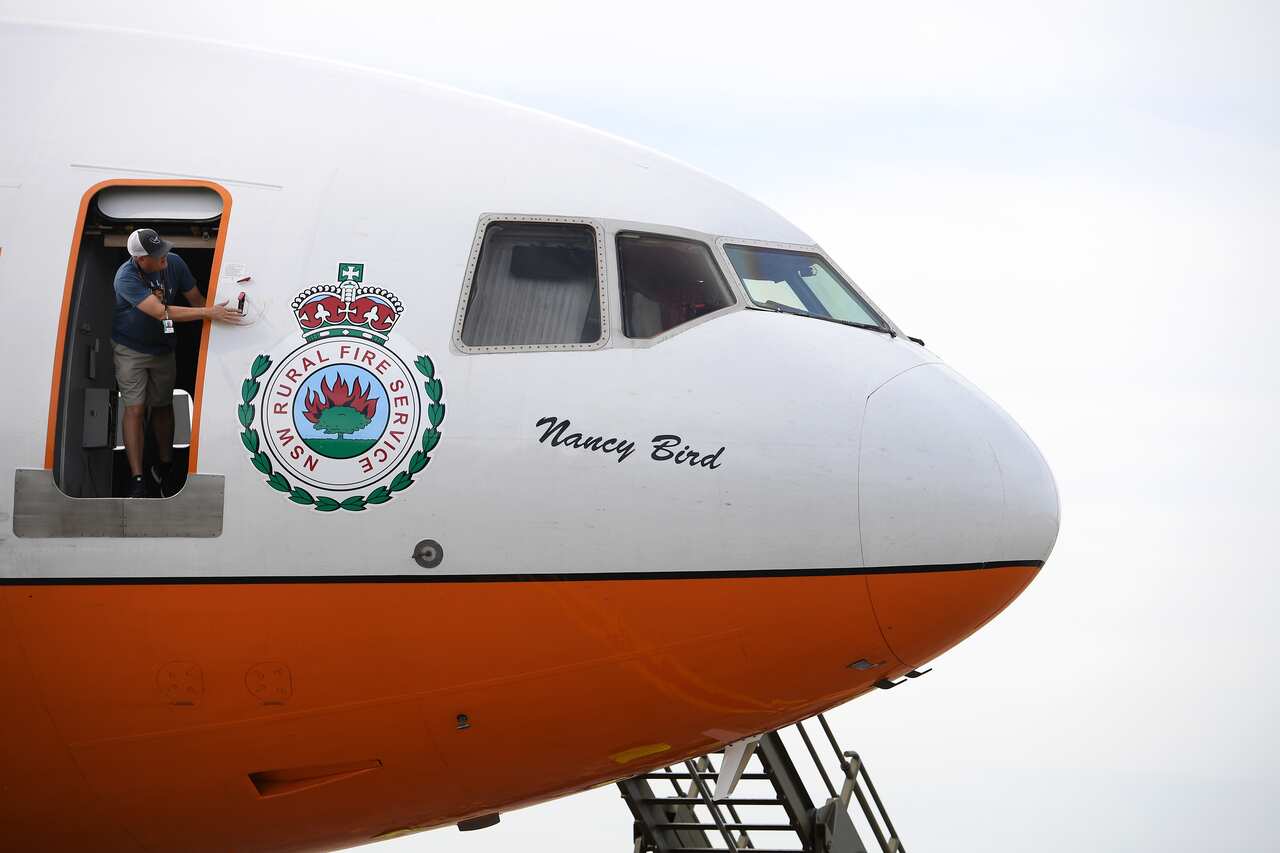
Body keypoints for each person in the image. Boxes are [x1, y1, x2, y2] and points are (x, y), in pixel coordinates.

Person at [112, 228, 240, 497]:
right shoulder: (125, 278)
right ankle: (137, 478)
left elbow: (197, 301)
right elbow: (161, 312)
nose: (165, 259)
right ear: (140, 259)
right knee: (135, 408)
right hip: (131, 349)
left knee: (162, 405)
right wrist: (209, 313)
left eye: (164, 250)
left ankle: (165, 465)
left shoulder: (175, 262)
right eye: (158, 255)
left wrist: (222, 322)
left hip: (163, 348)